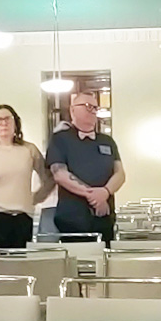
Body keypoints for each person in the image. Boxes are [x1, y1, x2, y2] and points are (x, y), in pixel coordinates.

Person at [45, 93, 125, 244]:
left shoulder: (107, 141)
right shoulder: (60, 139)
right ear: (72, 110)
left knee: (105, 257)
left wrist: (105, 192)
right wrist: (93, 196)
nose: (93, 110)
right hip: (71, 219)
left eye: (95, 107)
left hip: (104, 217)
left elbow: (120, 173)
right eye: (88, 106)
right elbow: (60, 174)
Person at [0, 105, 54, 249]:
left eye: (7, 119)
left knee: (20, 261)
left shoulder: (29, 150)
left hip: (22, 218)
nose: (4, 123)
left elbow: (49, 178)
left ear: (15, 123)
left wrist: (35, 198)